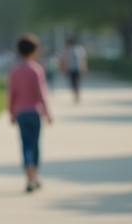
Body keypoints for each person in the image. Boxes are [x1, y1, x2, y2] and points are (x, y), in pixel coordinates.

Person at [8, 33, 53, 193]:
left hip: (20, 112)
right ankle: (33, 176)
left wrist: (11, 113)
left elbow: (11, 94)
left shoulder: (14, 70)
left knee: (25, 145)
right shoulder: (36, 70)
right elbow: (41, 94)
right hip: (34, 112)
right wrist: (47, 113)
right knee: (35, 145)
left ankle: (30, 177)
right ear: (35, 50)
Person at [58, 37, 87, 103]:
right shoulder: (78, 49)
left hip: (73, 69)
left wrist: (63, 69)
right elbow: (83, 60)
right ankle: (76, 93)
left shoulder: (70, 50)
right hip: (75, 69)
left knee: (74, 82)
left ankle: (76, 94)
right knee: (75, 82)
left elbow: (65, 60)